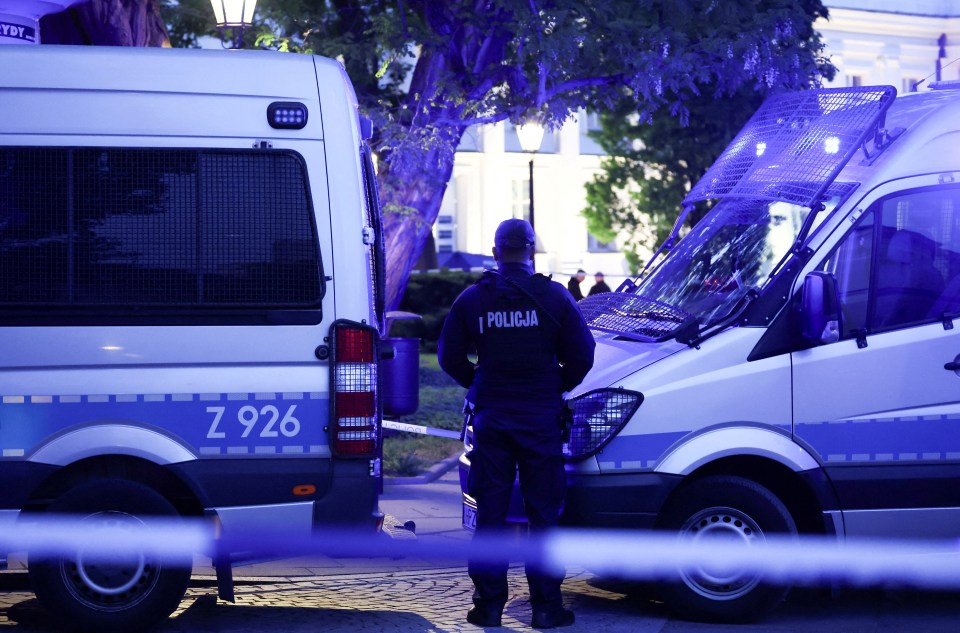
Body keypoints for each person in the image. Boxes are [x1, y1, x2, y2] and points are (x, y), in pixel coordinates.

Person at [438, 218, 596, 629]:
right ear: (531, 252)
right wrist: (555, 384)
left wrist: (479, 381)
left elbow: (448, 356)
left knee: (490, 513)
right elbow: (583, 355)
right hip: (540, 419)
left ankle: (487, 606)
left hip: (492, 419)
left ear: (495, 253)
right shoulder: (555, 297)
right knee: (543, 513)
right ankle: (545, 608)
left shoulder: (473, 300)